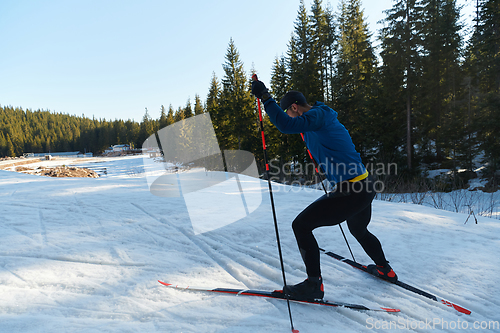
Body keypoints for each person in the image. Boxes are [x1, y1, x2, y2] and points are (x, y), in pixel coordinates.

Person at [251, 79, 397, 301]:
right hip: (364, 186)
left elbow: (285, 125)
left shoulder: (317, 117)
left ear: (294, 107)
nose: (289, 116)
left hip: (353, 190)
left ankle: (313, 286)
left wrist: (265, 98)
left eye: (288, 112)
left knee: (301, 225)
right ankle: (385, 269)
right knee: (358, 230)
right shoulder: (317, 119)